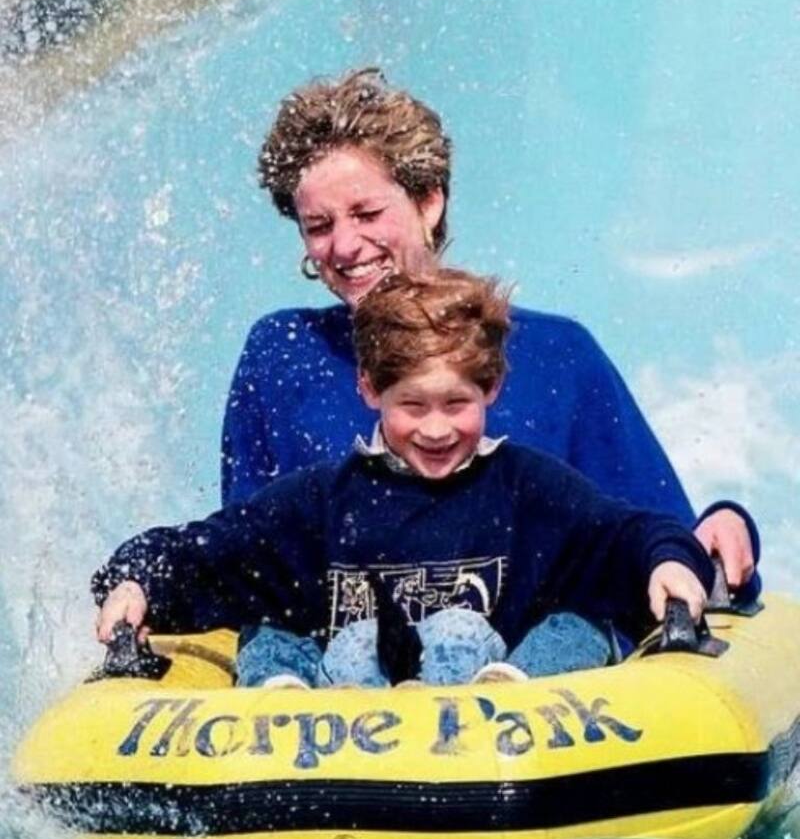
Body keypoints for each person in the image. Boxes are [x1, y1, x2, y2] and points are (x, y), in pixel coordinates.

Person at [220, 69, 756, 594]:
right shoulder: (282, 352)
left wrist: (724, 526)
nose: (343, 246)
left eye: (367, 213)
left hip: (527, 652)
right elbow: (241, 559)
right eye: (318, 226)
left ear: (429, 201)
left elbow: (660, 542)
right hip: (337, 650)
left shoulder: (557, 356)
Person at [94, 269, 755, 689]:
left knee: (578, 626)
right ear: (369, 390)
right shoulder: (323, 500)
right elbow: (211, 549)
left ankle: (509, 689)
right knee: (272, 633)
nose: (436, 429)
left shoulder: (527, 489)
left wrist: (669, 559)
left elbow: (622, 532)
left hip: (507, 726)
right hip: (345, 718)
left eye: (456, 404)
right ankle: (279, 703)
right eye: (411, 406)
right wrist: (134, 579)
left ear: (491, 389)